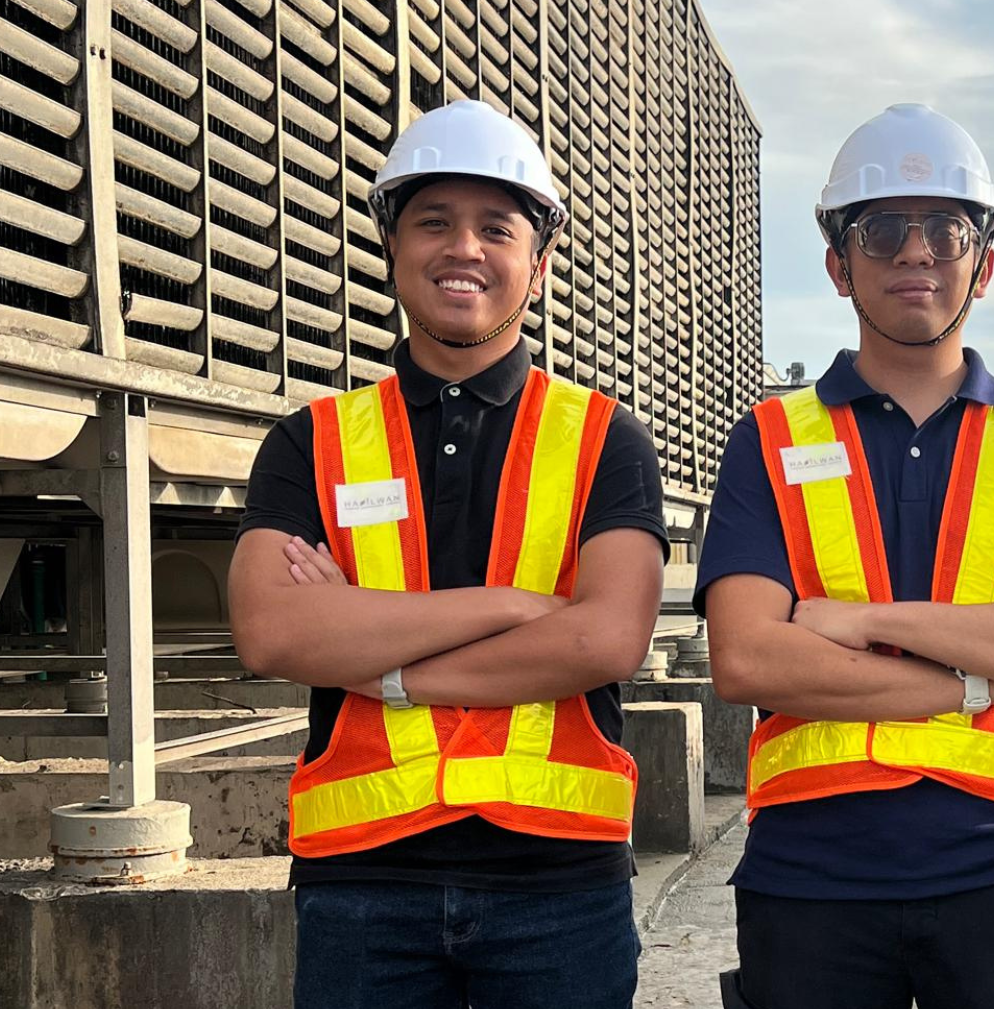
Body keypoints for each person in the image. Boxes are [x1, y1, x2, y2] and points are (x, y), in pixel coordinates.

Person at [229, 99, 667, 1009]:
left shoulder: (603, 439)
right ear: (392, 247)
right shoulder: (312, 441)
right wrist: (513, 606)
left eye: (496, 228)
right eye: (434, 222)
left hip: (559, 882)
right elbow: (273, 634)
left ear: (538, 263)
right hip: (361, 877)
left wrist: (375, 658)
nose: (463, 247)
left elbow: (605, 641)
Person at [700, 104, 994, 1009]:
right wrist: (989, 671)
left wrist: (864, 621)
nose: (916, 252)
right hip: (809, 873)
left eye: (947, 230)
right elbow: (748, 658)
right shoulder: (769, 438)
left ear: (984, 264)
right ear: (838, 265)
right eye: (882, 230)